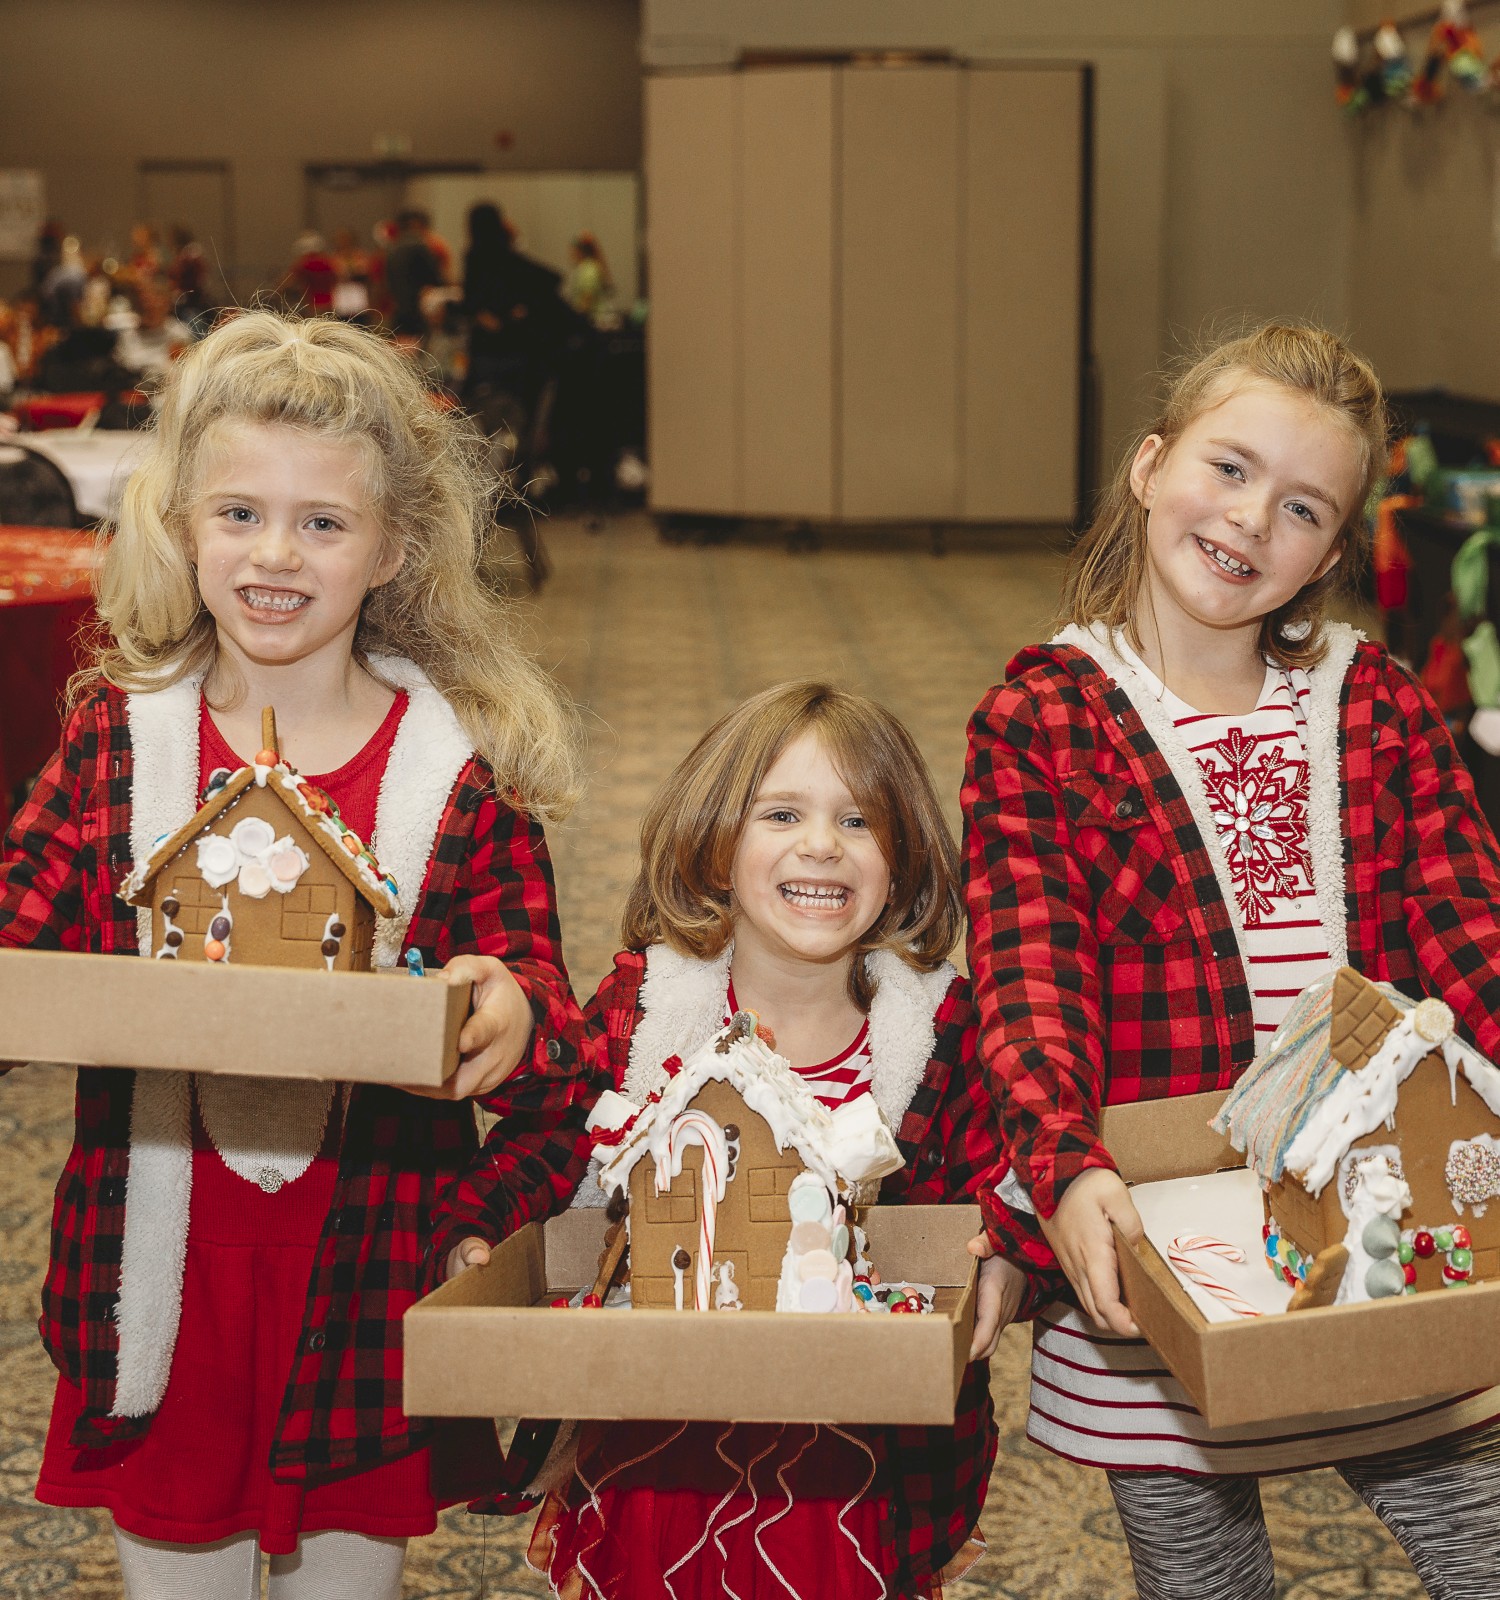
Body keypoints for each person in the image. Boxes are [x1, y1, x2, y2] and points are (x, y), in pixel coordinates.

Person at [0, 309, 594, 1599]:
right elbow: (20, 937)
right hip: (158, 1289)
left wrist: (510, 1011)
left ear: (390, 548)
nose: (277, 555)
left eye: (323, 523)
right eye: (239, 514)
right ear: (180, 525)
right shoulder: (121, 748)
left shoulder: (455, 780)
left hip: (365, 1278)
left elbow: (544, 1004)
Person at [964, 322, 1500, 1600]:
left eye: (1304, 504)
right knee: (1209, 1585)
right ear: (1151, 467)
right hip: (1158, 1244)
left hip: (1383, 1217)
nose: (1255, 519)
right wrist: (1065, 1166)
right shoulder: (1046, 715)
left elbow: (1464, 926)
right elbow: (1030, 975)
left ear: (1333, 548)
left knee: (1482, 1540)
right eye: (1230, 467)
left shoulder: (1375, 703)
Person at [446, 680, 1041, 1599]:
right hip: (658, 1446)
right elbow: (558, 1136)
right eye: (783, 813)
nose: (820, 845)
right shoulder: (653, 1011)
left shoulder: (937, 1037)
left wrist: (1007, 1262)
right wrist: (481, 1225)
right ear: (720, 847)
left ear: (902, 862)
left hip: (852, 1472)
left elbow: (994, 1182)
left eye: (858, 821)